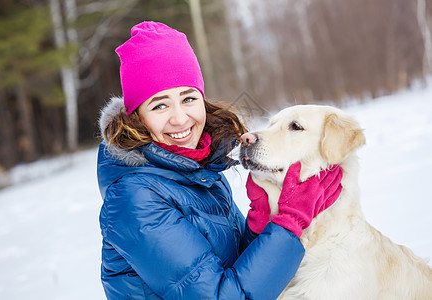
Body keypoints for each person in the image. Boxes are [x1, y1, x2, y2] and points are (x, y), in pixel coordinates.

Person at [96, 21, 343, 299]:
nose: (180, 118)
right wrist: (288, 224)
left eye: (188, 99)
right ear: (136, 117)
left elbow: (234, 271)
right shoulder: (134, 198)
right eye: (160, 105)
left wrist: (259, 225)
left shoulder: (197, 170)